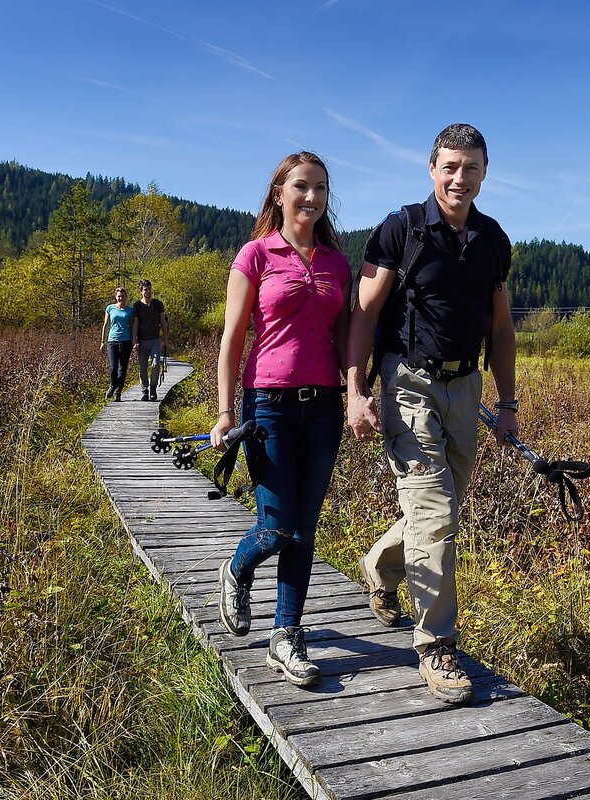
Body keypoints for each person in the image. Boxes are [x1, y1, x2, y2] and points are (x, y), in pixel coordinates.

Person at [347, 123, 518, 705]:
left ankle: (379, 565)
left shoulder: (494, 239)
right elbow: (364, 315)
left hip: (466, 386)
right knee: (435, 509)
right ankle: (436, 643)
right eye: (449, 167)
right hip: (408, 382)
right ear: (431, 168)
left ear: (485, 172)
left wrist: (509, 402)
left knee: (443, 506)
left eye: (470, 168)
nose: (459, 179)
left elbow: (500, 327)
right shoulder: (402, 230)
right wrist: (354, 391)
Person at [210, 152, 351, 687]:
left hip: (323, 408)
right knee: (277, 526)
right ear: (278, 193)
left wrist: (357, 391)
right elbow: (231, 341)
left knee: (304, 530)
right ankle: (237, 567)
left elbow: (346, 340)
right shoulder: (255, 254)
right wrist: (225, 412)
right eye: (301, 187)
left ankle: (286, 634)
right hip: (266, 403)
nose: (311, 198)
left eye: (320, 189)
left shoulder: (337, 262)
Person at [131, 279, 168, 401]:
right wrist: (134, 340)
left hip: (155, 340)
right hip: (141, 341)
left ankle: (153, 387)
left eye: (149, 289)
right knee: (142, 367)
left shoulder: (158, 304)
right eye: (145, 289)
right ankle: (144, 390)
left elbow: (163, 322)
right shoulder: (137, 306)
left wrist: (166, 340)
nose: (148, 291)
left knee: (156, 363)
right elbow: (135, 324)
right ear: (141, 291)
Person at [100, 287, 134, 402]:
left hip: (126, 341)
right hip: (112, 341)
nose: (121, 298)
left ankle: (118, 393)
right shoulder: (110, 308)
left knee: (122, 369)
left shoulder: (130, 310)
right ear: (116, 297)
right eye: (119, 296)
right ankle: (113, 386)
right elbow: (106, 324)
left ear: (126, 297)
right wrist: (102, 342)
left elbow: (132, 326)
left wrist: (134, 340)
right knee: (113, 367)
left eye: (123, 296)